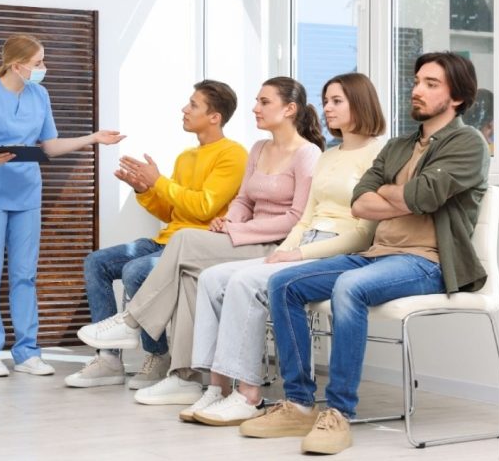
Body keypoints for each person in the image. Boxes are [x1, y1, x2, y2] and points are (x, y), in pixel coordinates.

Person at [240, 52, 490, 455]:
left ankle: (339, 412)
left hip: (428, 261)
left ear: (457, 97)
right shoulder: (399, 145)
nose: (417, 90)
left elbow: (422, 197)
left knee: (350, 288)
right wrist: (402, 198)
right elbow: (360, 201)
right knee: (284, 283)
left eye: (431, 84)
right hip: (379, 254)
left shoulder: (467, 143)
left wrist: (396, 195)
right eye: (416, 81)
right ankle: (300, 403)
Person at [76, 77, 325, 402]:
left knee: (185, 241)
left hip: (276, 246)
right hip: (241, 237)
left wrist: (238, 229)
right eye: (257, 101)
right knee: (193, 275)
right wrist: (230, 220)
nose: (255, 108)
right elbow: (244, 201)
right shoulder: (259, 149)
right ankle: (185, 377)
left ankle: (132, 321)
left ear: (290, 109)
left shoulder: (307, 155)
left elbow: (296, 218)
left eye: (264, 102)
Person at [187, 72, 386, 427]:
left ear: (361, 103)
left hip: (334, 252)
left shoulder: (379, 156)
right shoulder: (329, 154)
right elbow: (304, 219)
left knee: (246, 282)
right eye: (326, 100)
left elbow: (362, 233)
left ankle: (248, 395)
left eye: (336, 101)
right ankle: (216, 387)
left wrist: (297, 255)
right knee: (213, 278)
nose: (327, 107)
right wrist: (285, 250)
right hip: (305, 243)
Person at [65, 80, 249, 388]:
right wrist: (144, 188)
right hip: (167, 239)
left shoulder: (234, 155)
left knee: (136, 271)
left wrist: (159, 181)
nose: (184, 109)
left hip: (195, 244)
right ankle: (109, 359)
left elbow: (204, 208)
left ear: (214, 116)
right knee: (96, 262)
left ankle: (158, 355)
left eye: (193, 105)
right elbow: (171, 212)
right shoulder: (186, 157)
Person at [0, 34, 124, 378]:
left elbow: (49, 147)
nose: (42, 69)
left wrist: (93, 138)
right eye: (37, 63)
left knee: (25, 274)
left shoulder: (40, 95)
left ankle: (26, 352)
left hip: (27, 196)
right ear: (16, 65)